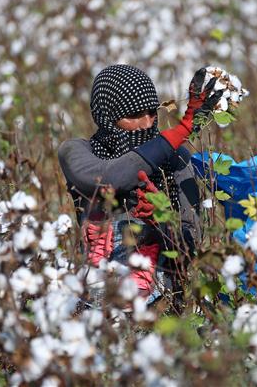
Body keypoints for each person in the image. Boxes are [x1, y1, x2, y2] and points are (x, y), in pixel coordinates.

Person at [57, 64, 222, 307]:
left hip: (161, 298)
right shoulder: (77, 151)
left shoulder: (176, 159)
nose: (147, 123)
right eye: (134, 116)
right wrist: (184, 128)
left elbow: (190, 243)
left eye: (151, 113)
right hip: (96, 294)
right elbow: (111, 177)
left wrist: (162, 223)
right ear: (107, 117)